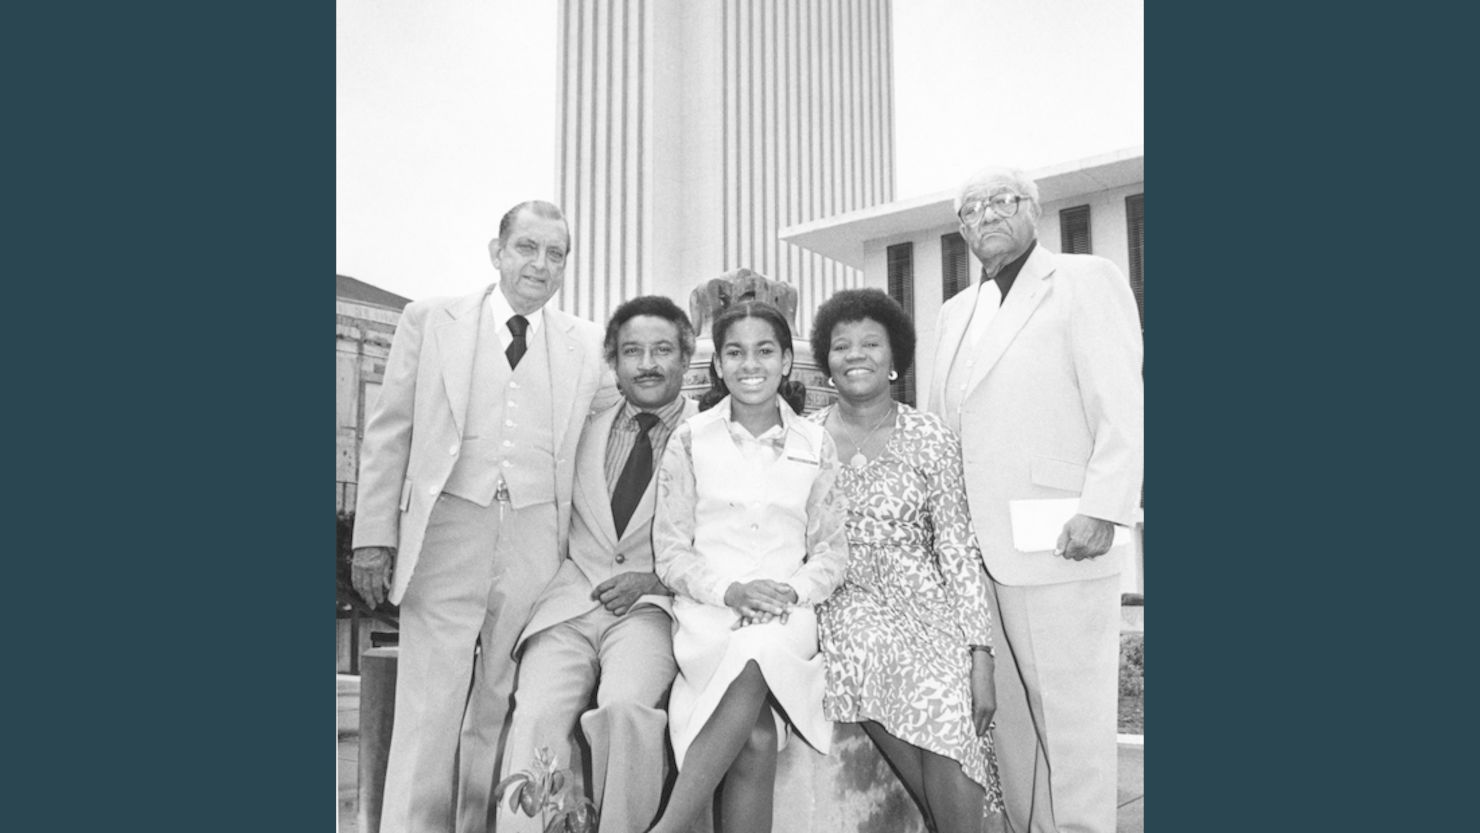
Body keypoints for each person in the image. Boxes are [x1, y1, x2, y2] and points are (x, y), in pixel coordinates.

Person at [350, 200, 618, 833]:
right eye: (528, 247)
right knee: (428, 707)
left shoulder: (584, 343)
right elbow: (390, 432)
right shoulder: (429, 320)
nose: (541, 264)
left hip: (534, 540)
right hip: (445, 529)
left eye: (556, 254)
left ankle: (481, 827)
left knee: (499, 703)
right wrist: (372, 539)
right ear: (496, 252)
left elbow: (629, 410)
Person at [928, 167, 1144, 833]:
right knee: (1015, 730)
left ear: (1034, 210)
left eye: (1003, 200)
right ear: (962, 229)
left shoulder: (1084, 279)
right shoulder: (953, 314)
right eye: (972, 208)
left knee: (1071, 728)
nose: (987, 214)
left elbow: (1121, 401)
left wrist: (1104, 506)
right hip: (974, 552)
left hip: (1060, 535)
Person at [807, 288, 1008, 833]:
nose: (856, 355)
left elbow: (957, 547)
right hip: (842, 596)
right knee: (882, 658)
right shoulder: (805, 437)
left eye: (871, 343)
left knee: (950, 704)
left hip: (924, 600)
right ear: (826, 360)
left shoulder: (930, 435)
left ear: (895, 359)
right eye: (842, 345)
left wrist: (979, 652)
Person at [497, 296, 699, 833]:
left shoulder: (713, 434)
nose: (648, 363)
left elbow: (728, 539)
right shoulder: (581, 424)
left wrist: (654, 580)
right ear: (613, 360)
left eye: (662, 350)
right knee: (535, 713)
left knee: (626, 710)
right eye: (632, 351)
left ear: (686, 356)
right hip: (571, 603)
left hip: (654, 608)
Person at [647, 300, 849, 833]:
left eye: (764, 351)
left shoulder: (815, 442)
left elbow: (831, 551)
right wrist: (731, 591)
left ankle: (667, 828)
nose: (750, 364)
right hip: (709, 615)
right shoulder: (691, 440)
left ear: (786, 361)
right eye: (734, 352)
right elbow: (670, 551)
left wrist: (787, 594)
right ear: (717, 365)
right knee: (756, 740)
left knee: (761, 647)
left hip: (788, 614)